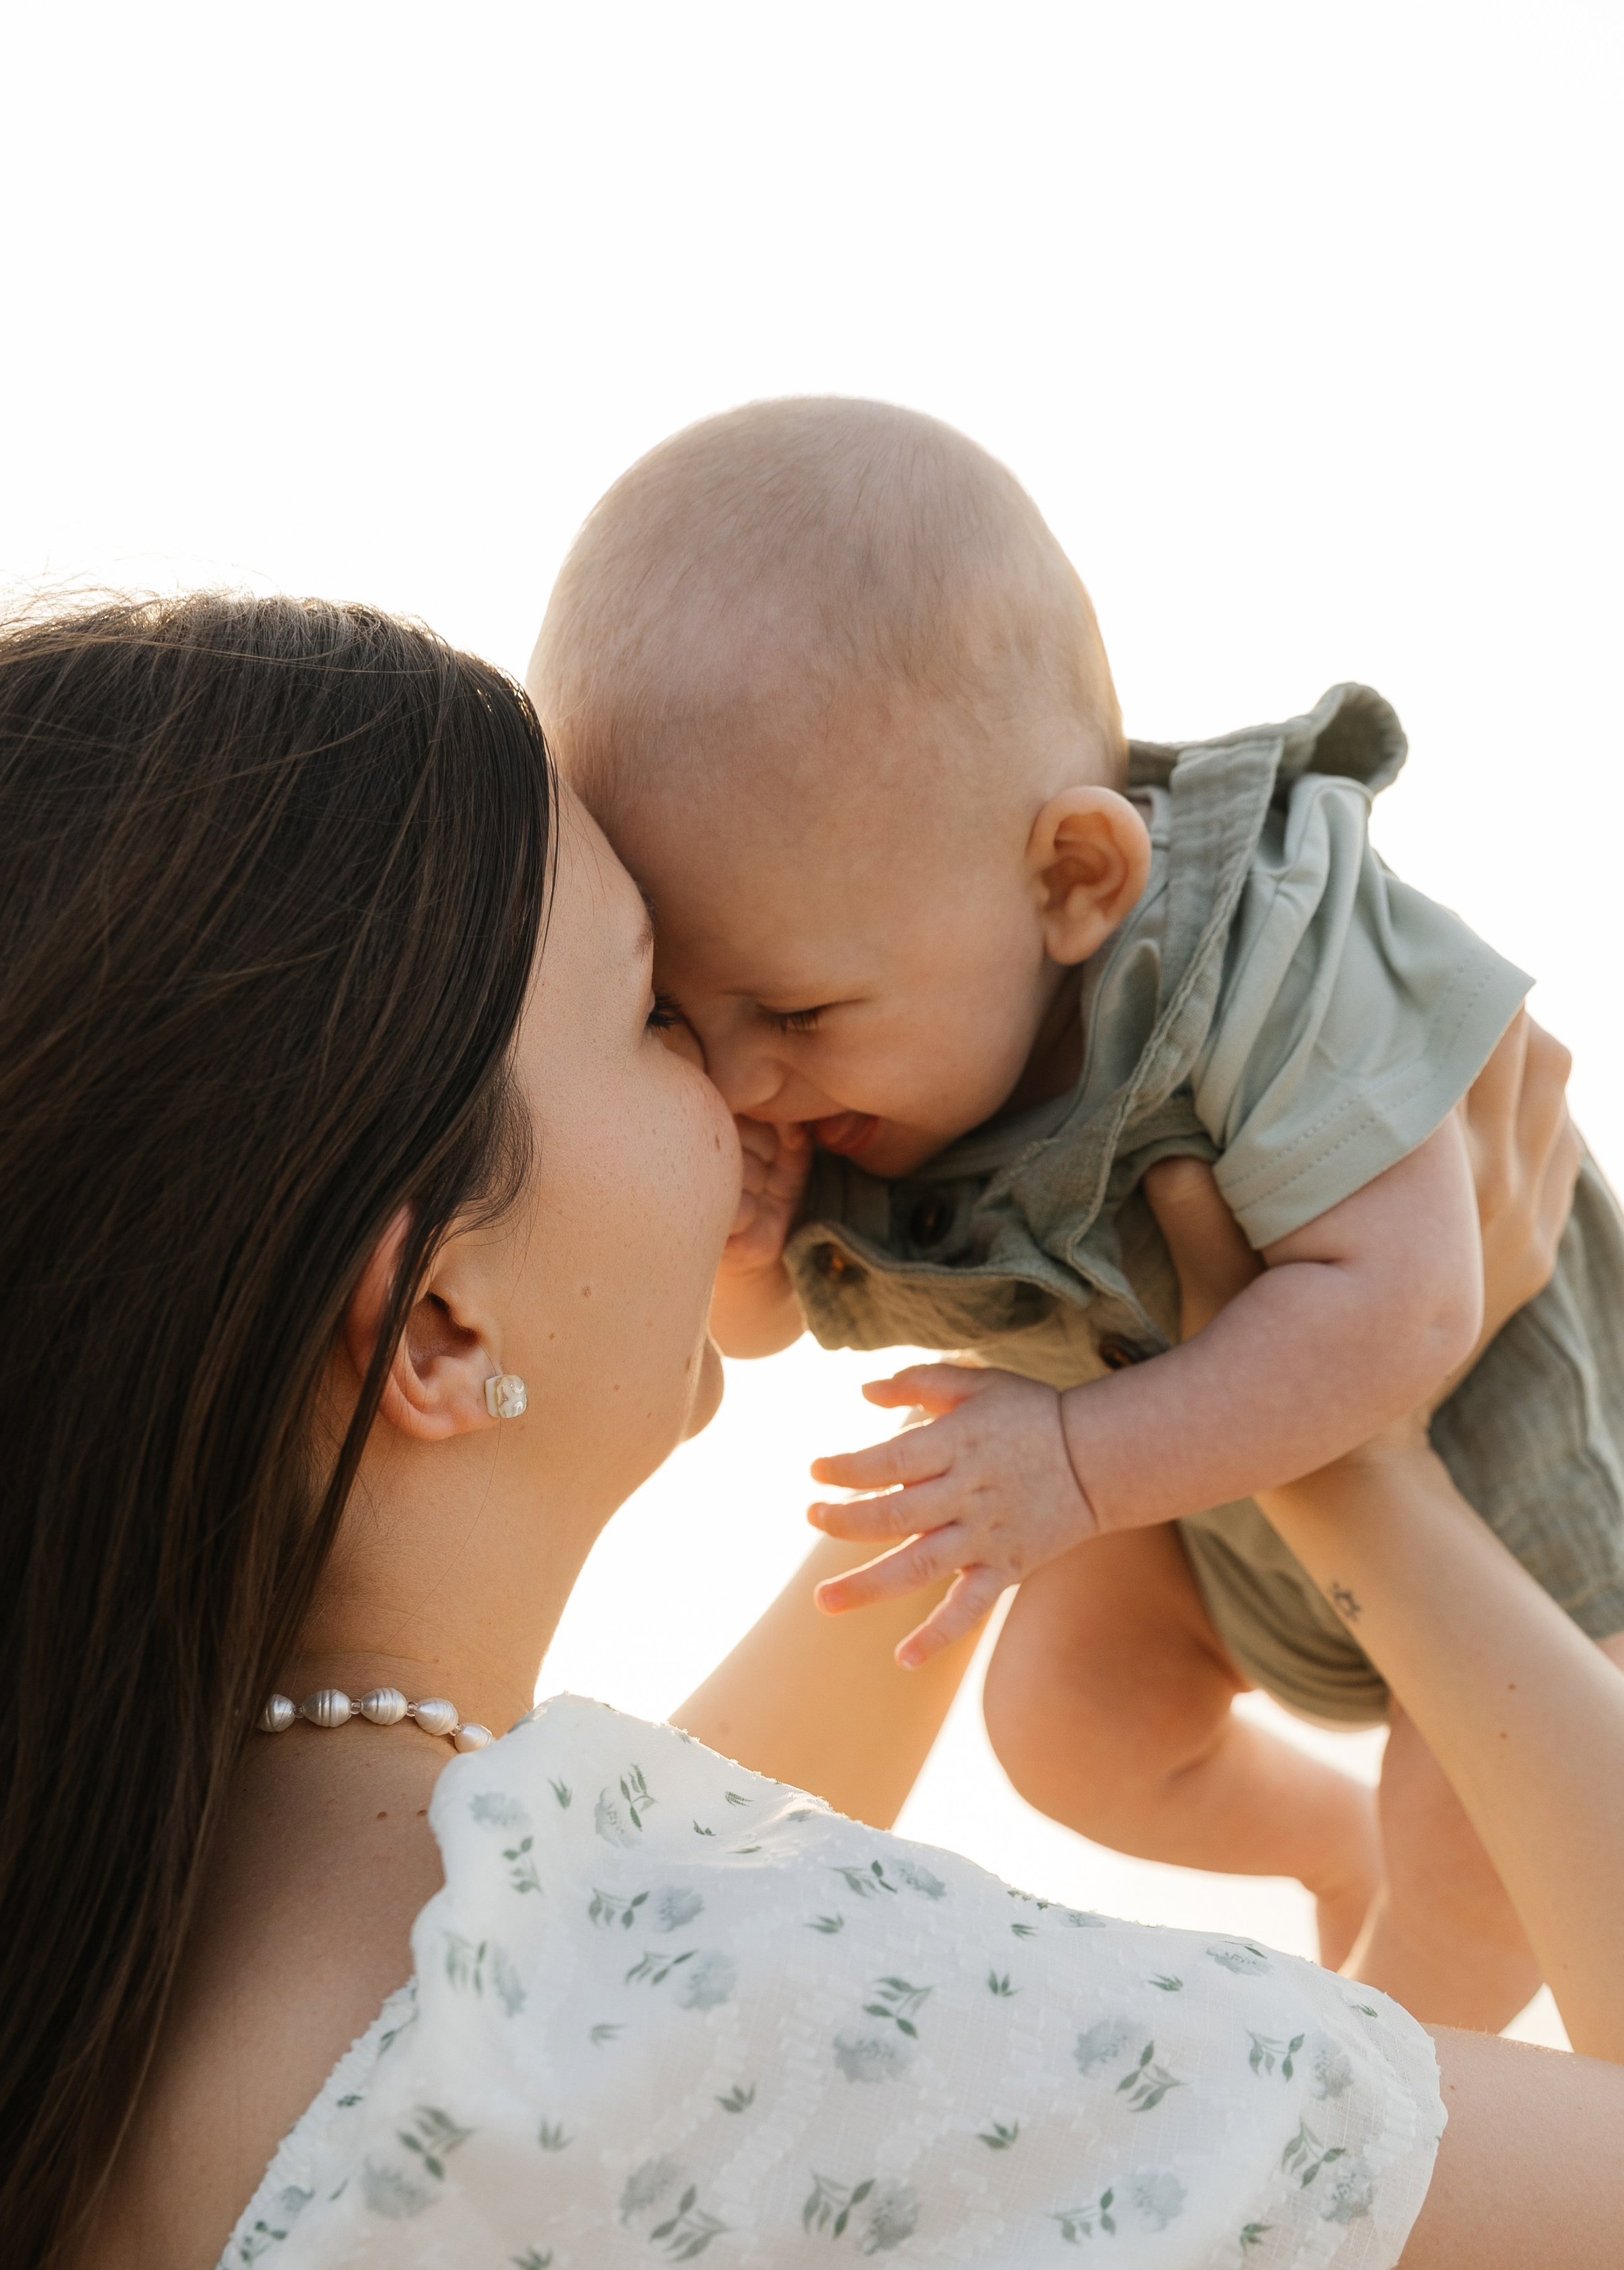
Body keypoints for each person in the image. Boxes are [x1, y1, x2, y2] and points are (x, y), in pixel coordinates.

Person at [0, 599, 1620, 2270]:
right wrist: (1363, 1465)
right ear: (440, 1317)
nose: (751, 1102)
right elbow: (718, 2012)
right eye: (656, 1014)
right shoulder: (606, 2058)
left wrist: (1090, 1368)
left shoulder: (100, 1955)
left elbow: (660, 1898)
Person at [528, 396, 1624, 2032]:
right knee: (1065, 1719)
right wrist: (751, 1239)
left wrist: (1071, 1464)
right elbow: (757, 1326)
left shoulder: (1256, 954)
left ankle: (1394, 2107)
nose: (747, 1079)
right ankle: (1314, 1843)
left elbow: (1403, 1309)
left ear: (1073, 879)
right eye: (685, 1018)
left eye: (792, 1014)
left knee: (1467, 1854)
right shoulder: (866, 1013)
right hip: (1201, 1509)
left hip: (1513, 1542)